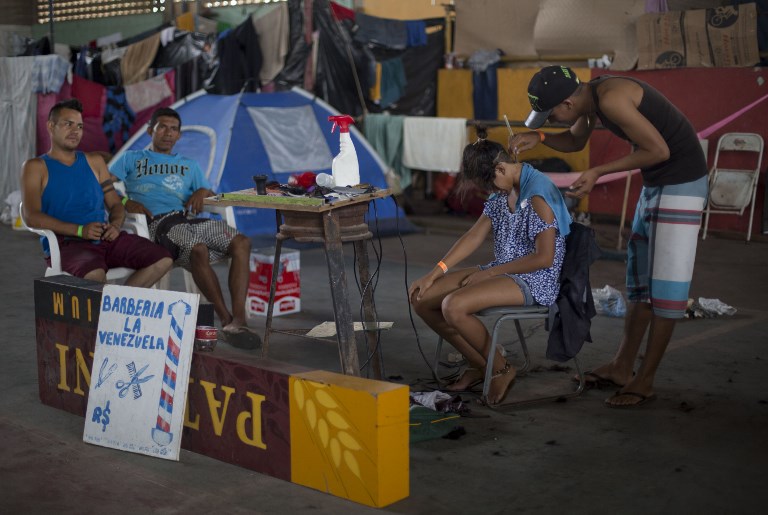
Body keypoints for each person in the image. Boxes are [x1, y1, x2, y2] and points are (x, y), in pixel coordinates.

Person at [512, 65, 708, 408]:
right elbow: (574, 140)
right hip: (657, 185)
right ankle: (621, 366)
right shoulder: (590, 99)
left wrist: (599, 172)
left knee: (666, 288)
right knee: (640, 283)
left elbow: (659, 151)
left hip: (681, 185)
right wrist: (540, 138)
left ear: (568, 104)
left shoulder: (613, 98)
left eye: (551, 114)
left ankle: (644, 380)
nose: (552, 119)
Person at [408, 134, 572, 405]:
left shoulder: (538, 194)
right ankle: (480, 364)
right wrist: (433, 273)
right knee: (421, 298)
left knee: (453, 306)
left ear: (501, 169)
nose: (491, 191)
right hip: (502, 268)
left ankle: (501, 369)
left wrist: (488, 274)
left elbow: (544, 258)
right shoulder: (504, 188)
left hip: (534, 279)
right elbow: (473, 236)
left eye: (491, 184)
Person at [109, 107, 260, 349]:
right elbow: (105, 186)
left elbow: (207, 192)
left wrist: (201, 191)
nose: (168, 133)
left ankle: (239, 318)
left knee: (242, 242)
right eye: (162, 127)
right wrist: (126, 202)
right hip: (157, 224)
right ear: (150, 131)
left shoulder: (189, 165)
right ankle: (227, 320)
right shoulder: (131, 158)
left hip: (186, 219)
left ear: (179, 135)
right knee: (196, 248)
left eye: (174, 129)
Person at [21, 99, 173, 288]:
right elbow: (31, 217)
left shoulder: (95, 162)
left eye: (80, 126)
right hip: (68, 244)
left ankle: (117, 306)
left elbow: (116, 204)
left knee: (163, 259)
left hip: (106, 238)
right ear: (51, 126)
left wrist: (116, 226)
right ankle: (109, 310)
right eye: (68, 124)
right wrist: (79, 230)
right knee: (95, 275)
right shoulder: (36, 167)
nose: (75, 131)